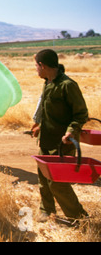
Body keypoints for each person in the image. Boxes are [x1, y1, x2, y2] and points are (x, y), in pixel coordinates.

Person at [33, 49, 88, 223]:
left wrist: (71, 131)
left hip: (63, 143)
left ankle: (78, 217)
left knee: (58, 183)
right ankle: (46, 211)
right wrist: (40, 126)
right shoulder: (48, 83)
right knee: (43, 178)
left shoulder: (67, 85)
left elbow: (81, 114)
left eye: (36, 65)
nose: (36, 69)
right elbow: (52, 112)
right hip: (46, 140)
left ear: (42, 65)